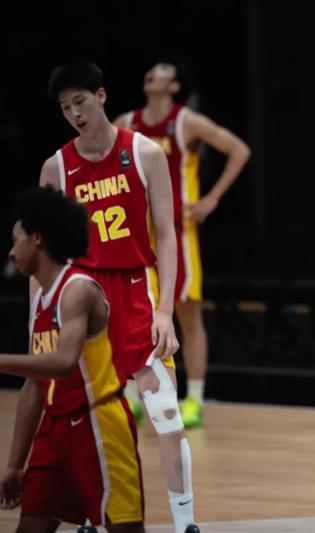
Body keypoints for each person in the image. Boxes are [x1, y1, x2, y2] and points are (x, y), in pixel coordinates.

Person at [39, 61, 198, 533]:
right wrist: (39, 320)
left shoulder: (145, 152)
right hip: (83, 297)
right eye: (65, 107)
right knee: (89, 421)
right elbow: (45, 256)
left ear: (102, 96)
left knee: (165, 414)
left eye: (80, 102)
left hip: (136, 290)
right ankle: (96, 515)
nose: (75, 113)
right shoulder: (56, 168)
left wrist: (165, 312)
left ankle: (186, 522)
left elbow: (166, 234)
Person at [114, 60, 251, 428]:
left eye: (162, 70)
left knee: (188, 315)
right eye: (151, 68)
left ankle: (195, 397)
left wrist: (212, 198)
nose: (152, 72)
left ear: (174, 86)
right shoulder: (126, 122)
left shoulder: (186, 121)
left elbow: (239, 150)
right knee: (136, 314)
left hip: (178, 232)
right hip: (137, 234)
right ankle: (133, 394)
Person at [0, 187, 143, 532]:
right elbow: (34, 385)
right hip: (55, 429)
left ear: (37, 238)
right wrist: (14, 465)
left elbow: (64, 363)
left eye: (16, 240)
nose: (11, 251)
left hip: (99, 423)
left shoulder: (77, 290)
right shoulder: (40, 299)